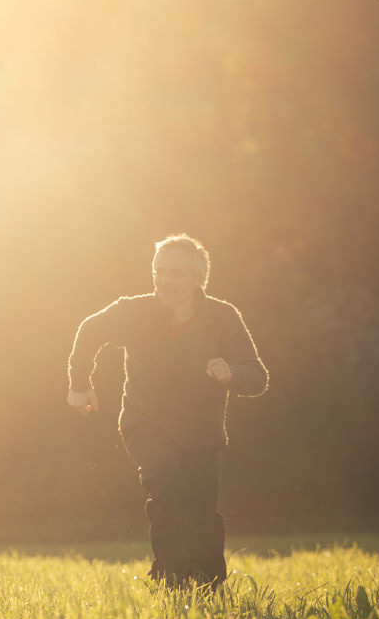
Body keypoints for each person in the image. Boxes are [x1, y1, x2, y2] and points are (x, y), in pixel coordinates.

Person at [66, 234, 267, 588]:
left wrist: (231, 373)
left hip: (201, 434)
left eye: (177, 273)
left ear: (198, 278)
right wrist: (79, 383)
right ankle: (171, 582)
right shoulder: (133, 311)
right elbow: (89, 330)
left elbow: (257, 377)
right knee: (169, 490)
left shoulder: (223, 317)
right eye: (159, 271)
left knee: (203, 511)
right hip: (146, 424)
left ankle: (209, 587)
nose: (165, 280)